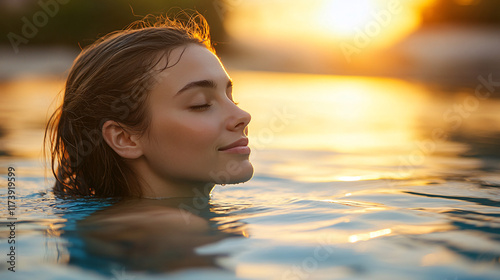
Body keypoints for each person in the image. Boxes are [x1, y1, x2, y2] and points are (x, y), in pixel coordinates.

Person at [44, 12, 254, 199]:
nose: (242, 115)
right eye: (201, 104)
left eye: (230, 97)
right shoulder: (167, 234)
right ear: (124, 138)